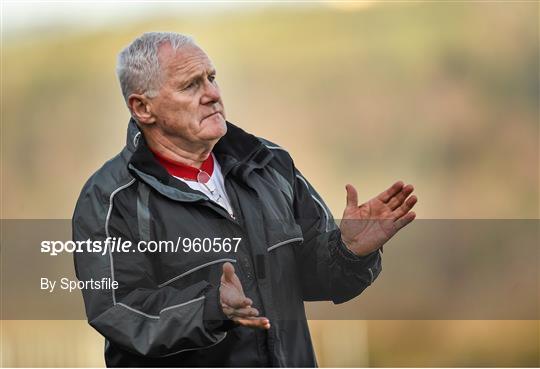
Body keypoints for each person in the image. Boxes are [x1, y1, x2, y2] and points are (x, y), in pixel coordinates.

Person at [72, 32, 417, 367]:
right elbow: (118, 311)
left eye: (211, 78)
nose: (212, 94)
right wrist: (212, 308)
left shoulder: (269, 163)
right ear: (142, 107)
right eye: (191, 85)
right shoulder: (109, 199)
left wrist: (350, 250)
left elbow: (316, 276)